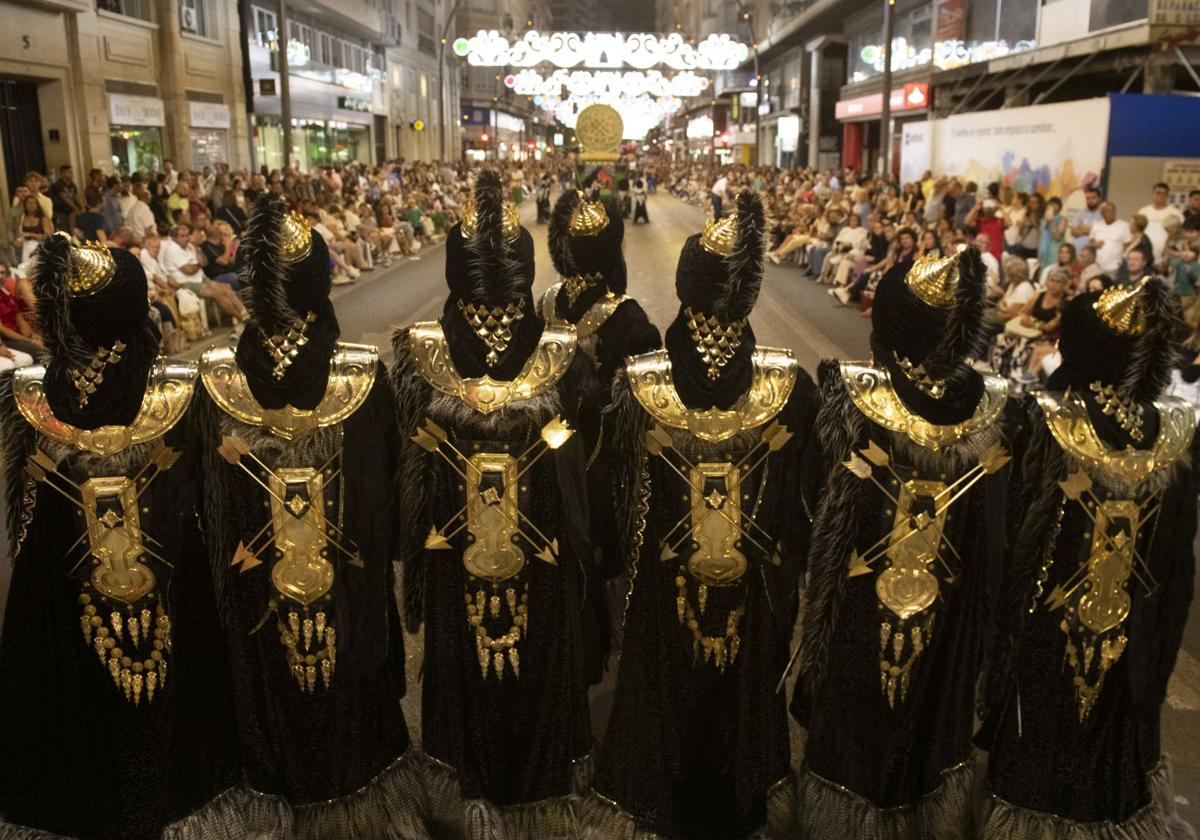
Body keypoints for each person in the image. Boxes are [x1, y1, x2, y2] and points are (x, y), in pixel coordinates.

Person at [590, 192, 817, 839]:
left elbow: (617, 505)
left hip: (663, 593)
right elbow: (801, 515)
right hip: (750, 592)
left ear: (686, 292)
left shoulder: (639, 384)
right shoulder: (792, 389)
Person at [0, 233, 240, 839]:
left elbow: (27, 526)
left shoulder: (28, 398)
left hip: (64, 604)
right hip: (169, 593)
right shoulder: (178, 393)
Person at [197, 198, 423, 835]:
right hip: (345, 601)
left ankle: (270, 780)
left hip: (258, 598)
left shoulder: (215, 382)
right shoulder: (359, 376)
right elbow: (384, 503)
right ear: (318, 285)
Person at [390, 169, 595, 836]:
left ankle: (470, 783)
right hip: (528, 552)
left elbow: (410, 476)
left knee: (475, 663)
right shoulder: (563, 357)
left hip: (464, 553)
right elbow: (580, 471)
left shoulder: (420, 355)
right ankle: (535, 783)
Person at [792, 249, 1014, 839]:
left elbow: (817, 515)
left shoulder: (848, 400)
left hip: (862, 606)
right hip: (949, 605)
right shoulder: (996, 409)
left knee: (860, 704)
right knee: (933, 702)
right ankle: (928, 809)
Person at [980, 278, 1198, 840]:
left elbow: (1012, 537)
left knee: (1046, 724)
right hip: (1133, 622)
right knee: (1112, 722)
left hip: (1050, 621)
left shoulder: (1044, 420)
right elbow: (1177, 569)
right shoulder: (1178, 431)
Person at [542, 189, 662, 685]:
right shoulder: (630, 318)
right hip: (602, 459)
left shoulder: (547, 300)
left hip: (547, 451)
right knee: (609, 545)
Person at [159, 223, 247, 324]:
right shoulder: (172, 249)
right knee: (218, 293)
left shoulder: (189, 247)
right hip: (186, 283)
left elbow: (204, 262)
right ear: (174, 238)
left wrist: (197, 250)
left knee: (226, 287)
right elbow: (189, 270)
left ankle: (245, 313)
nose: (187, 239)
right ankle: (241, 318)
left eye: (188, 235)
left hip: (200, 278)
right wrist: (199, 264)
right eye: (182, 236)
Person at [1138, 181, 1185, 260]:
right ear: (1153, 194)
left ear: (1168, 195)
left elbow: (1181, 235)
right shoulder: (1143, 212)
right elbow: (1136, 233)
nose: (1161, 196)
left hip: (1168, 255)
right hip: (1145, 253)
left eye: (1164, 193)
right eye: (1158, 193)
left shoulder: (1176, 213)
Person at [1090, 201, 1133, 275]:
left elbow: (1128, 245)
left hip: (1116, 267)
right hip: (1098, 266)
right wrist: (1095, 244)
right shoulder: (1097, 225)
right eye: (1107, 211)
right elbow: (1090, 241)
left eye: (1112, 211)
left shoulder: (1124, 225)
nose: (1110, 213)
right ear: (1101, 213)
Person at [1070, 185, 1104, 252]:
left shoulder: (1104, 214)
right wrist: (1091, 230)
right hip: (1079, 251)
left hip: (1096, 251)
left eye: (1093, 198)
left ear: (1099, 199)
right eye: (1088, 198)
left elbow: (1102, 232)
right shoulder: (1079, 214)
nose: (1090, 200)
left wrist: (1081, 228)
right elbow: (1073, 231)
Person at [49, 164, 82, 232]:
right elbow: (65, 198)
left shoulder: (72, 184)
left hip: (69, 204)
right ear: (63, 173)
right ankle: (72, 231)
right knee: (71, 211)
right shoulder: (58, 185)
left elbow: (77, 196)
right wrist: (76, 208)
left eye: (72, 172)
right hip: (60, 205)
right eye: (69, 172)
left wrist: (82, 207)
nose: (72, 174)